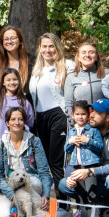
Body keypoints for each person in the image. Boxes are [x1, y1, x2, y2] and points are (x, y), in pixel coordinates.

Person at [58, 99, 109, 214]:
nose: (92, 115)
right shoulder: (89, 130)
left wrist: (90, 171)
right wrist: (70, 176)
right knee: (64, 184)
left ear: (108, 117)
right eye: (92, 111)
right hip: (98, 177)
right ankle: (85, 209)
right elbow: (74, 158)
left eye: (97, 113)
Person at [0, 106, 51, 217]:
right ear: (7, 123)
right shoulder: (0, 144)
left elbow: (44, 171)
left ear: (24, 122)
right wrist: (11, 195)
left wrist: (46, 195)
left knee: (35, 182)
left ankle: (33, 211)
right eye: (13, 119)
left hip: (30, 187)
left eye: (20, 119)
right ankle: (19, 212)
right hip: (10, 188)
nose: (17, 123)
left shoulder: (34, 141)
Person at [28, 33, 74, 184]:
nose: (48, 50)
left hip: (58, 115)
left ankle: (62, 202)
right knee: (45, 160)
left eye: (51, 46)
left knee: (56, 160)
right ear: (39, 48)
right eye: (44, 46)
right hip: (40, 118)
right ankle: (50, 200)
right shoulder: (36, 70)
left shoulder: (67, 66)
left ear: (57, 47)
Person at [0, 68, 36, 155]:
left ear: (19, 81)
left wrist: (24, 131)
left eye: (15, 79)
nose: (12, 82)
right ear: (3, 82)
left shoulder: (25, 103)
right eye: (8, 80)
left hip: (19, 145)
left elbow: (30, 122)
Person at [0, 25, 32, 95]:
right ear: (2, 43)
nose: (9, 41)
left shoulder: (31, 62)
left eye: (13, 38)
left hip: (26, 104)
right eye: (6, 39)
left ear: (20, 40)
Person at [64, 39, 107, 107]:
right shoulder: (71, 78)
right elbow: (68, 104)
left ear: (96, 57)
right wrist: (71, 118)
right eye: (83, 52)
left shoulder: (107, 74)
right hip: (81, 117)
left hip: (103, 117)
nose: (87, 55)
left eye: (91, 52)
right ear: (78, 57)